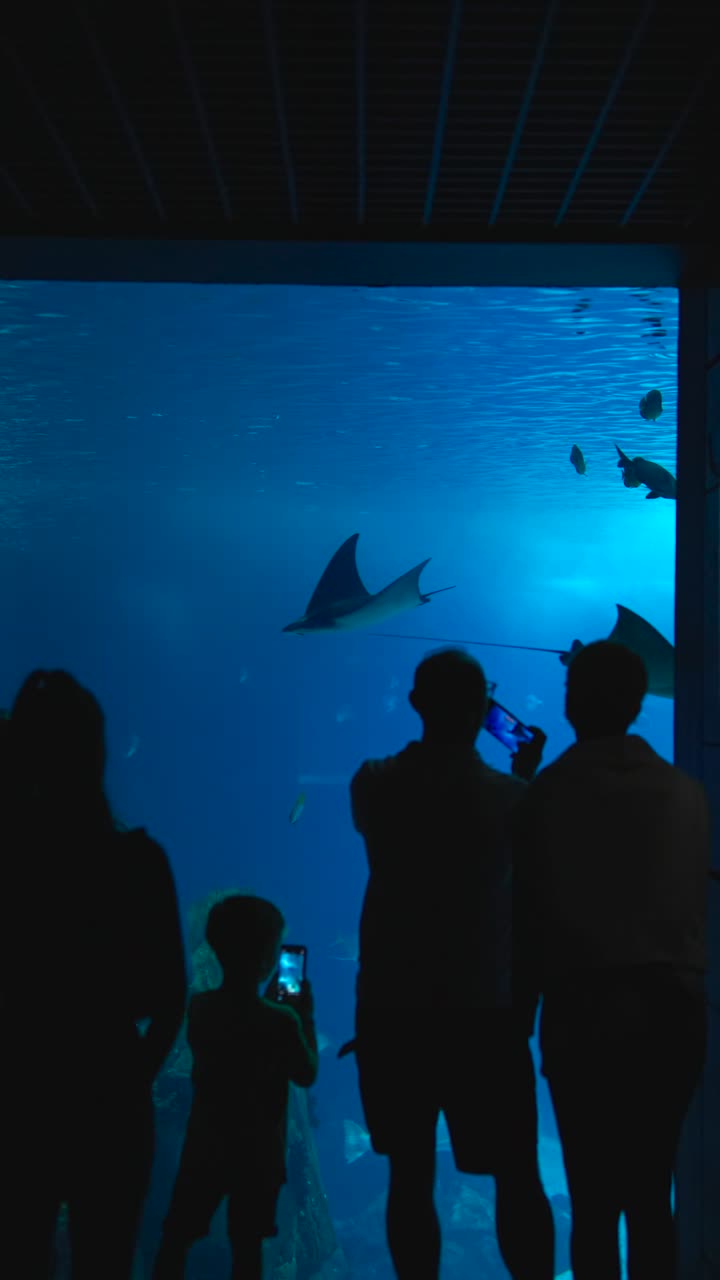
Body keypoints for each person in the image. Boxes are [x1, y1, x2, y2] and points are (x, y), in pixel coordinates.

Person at [348, 648, 554, 1280]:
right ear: (484, 709)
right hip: (487, 1018)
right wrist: (528, 775)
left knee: (409, 1174)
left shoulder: (372, 783)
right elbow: (535, 900)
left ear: (415, 704)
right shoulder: (515, 799)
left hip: (395, 1015)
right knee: (518, 1174)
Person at [514, 641, 709, 1280]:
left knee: (593, 1202)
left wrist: (516, 1019)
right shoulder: (687, 793)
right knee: (653, 1194)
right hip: (673, 1012)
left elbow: (526, 915)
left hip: (584, 1012)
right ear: (638, 702)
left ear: (571, 702)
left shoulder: (545, 795)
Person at [0, 669, 187, 1280]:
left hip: (20, 1093)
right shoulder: (138, 862)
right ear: (98, 754)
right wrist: (129, 1080)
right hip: (111, 1087)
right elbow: (169, 1000)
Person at [152, 894, 319, 1280]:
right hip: (259, 1156)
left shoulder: (201, 1008)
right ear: (268, 959)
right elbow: (306, 1073)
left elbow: (238, 1027)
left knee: (176, 1237)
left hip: (205, 1147)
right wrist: (303, 1016)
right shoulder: (282, 1022)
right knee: (248, 1248)